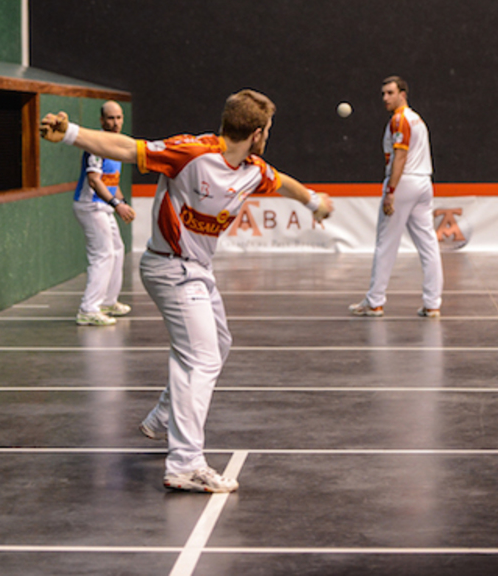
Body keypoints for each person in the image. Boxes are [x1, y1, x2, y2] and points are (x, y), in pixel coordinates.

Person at [41, 89, 332, 493]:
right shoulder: (190, 152)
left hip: (197, 271)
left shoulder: (252, 169)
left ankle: (164, 416)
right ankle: (185, 464)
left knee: (220, 344)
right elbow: (126, 147)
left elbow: (283, 183)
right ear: (259, 132)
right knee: (201, 358)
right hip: (169, 268)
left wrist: (314, 200)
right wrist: (72, 132)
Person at [349, 76, 444, 318]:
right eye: (383, 93)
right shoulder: (418, 120)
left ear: (403, 94)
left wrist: (391, 192)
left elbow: (400, 158)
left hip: (404, 184)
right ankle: (432, 303)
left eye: (390, 93)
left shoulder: (400, 120)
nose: (385, 98)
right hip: (424, 184)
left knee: (386, 243)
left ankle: (375, 301)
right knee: (428, 244)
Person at [73, 101, 136, 326]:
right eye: (110, 118)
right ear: (101, 120)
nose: (115, 122)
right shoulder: (96, 145)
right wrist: (116, 204)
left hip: (104, 206)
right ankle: (88, 309)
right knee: (103, 254)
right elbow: (94, 180)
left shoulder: (116, 144)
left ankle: (108, 301)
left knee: (117, 250)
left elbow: (112, 182)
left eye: (118, 118)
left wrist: (121, 203)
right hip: (90, 205)